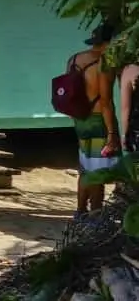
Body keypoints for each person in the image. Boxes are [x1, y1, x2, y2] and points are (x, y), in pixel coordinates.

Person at [66, 22, 120, 218]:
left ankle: (80, 212)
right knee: (98, 171)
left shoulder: (74, 59)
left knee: (85, 168)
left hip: (80, 119)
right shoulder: (104, 63)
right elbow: (106, 101)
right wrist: (112, 133)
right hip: (99, 120)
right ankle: (95, 216)